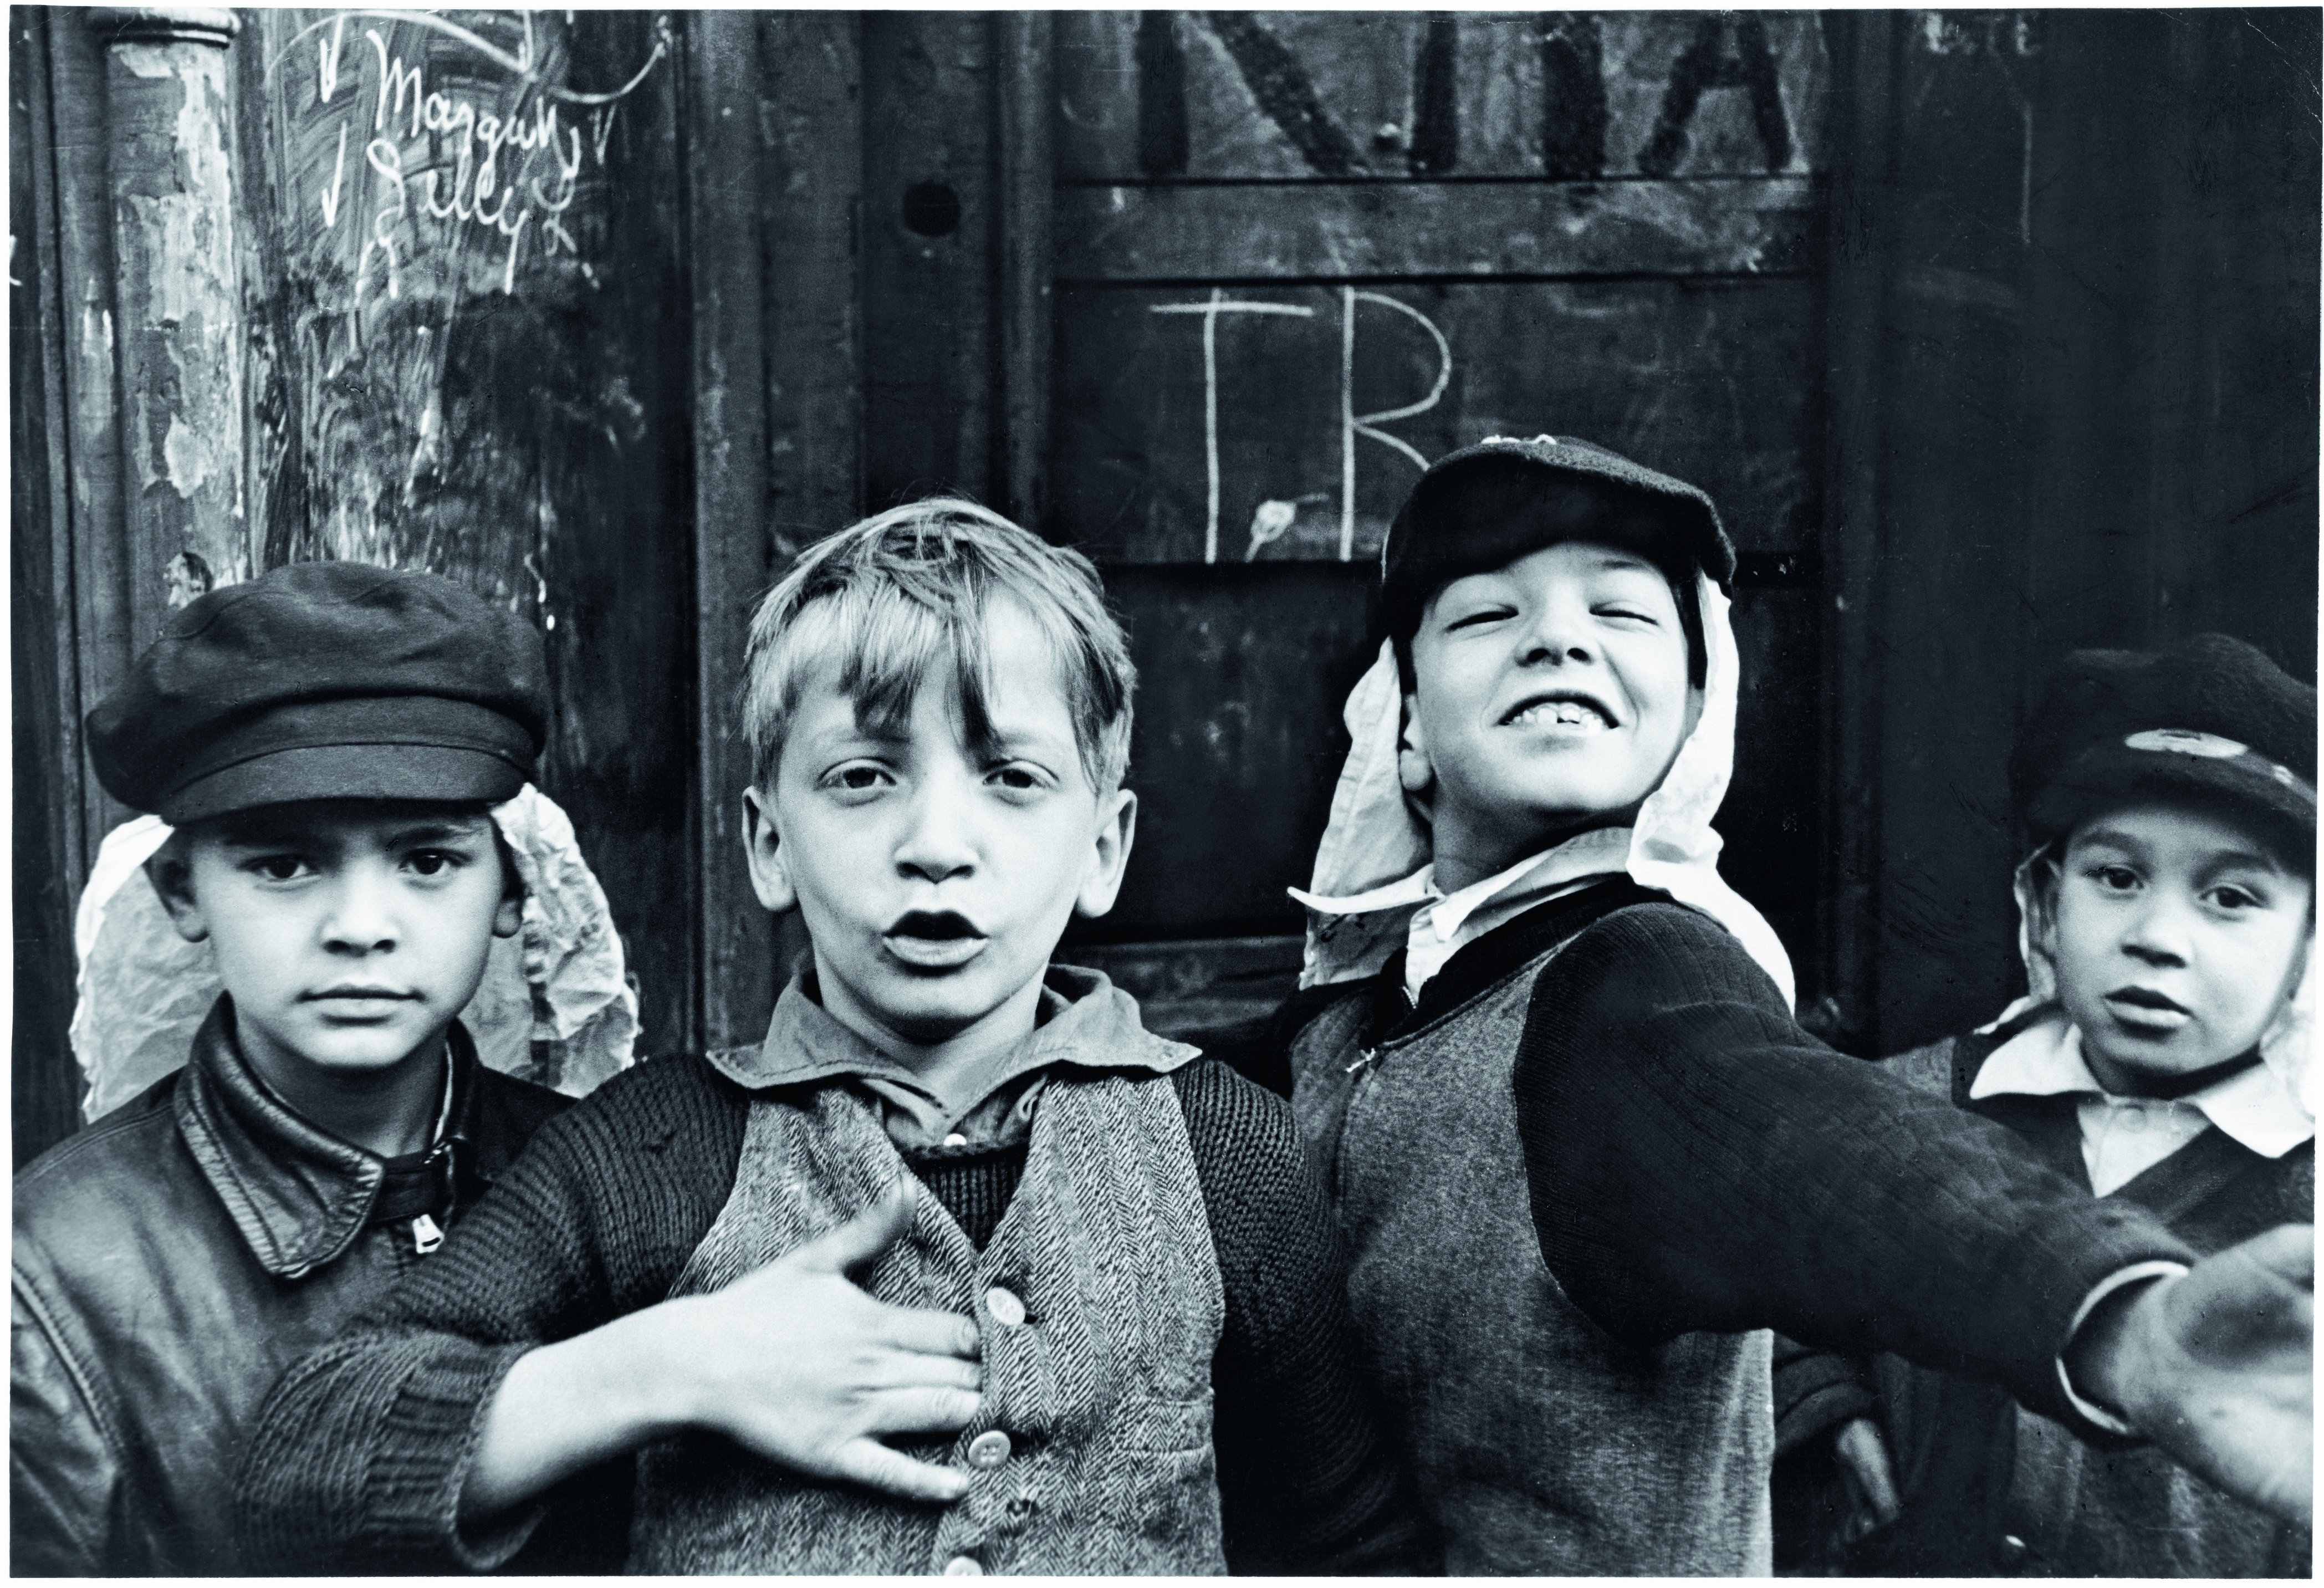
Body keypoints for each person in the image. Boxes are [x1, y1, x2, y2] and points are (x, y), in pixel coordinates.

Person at [236, 499, 1427, 1575]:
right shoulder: (657, 1151)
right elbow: (304, 1456)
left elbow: (1353, 1544)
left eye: (1011, 777)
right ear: (768, 843)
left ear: (1104, 848)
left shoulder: (1224, 1153)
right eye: (863, 778)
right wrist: (673, 1366)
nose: (936, 844)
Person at [1235, 435, 2313, 1573]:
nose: (1557, 635)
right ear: (1400, 723)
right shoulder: (1351, 1019)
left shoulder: (1634, 979)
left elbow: (1832, 1151)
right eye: (1487, 616)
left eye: (1622, 613)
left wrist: (2113, 1312)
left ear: (1697, 709)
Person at [10, 562, 606, 1575]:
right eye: (284, 864)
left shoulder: (613, 1181)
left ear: (510, 886)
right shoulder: (49, 1276)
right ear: (180, 890)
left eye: (426, 860)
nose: (361, 929)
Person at [1772, 632, 2314, 1576]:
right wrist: (1823, 1407)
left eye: (2229, 897)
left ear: (2310, 947)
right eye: (2117, 877)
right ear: (2044, 903)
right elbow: (1778, 1271)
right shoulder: (1910, 1104)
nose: (2156, 937)